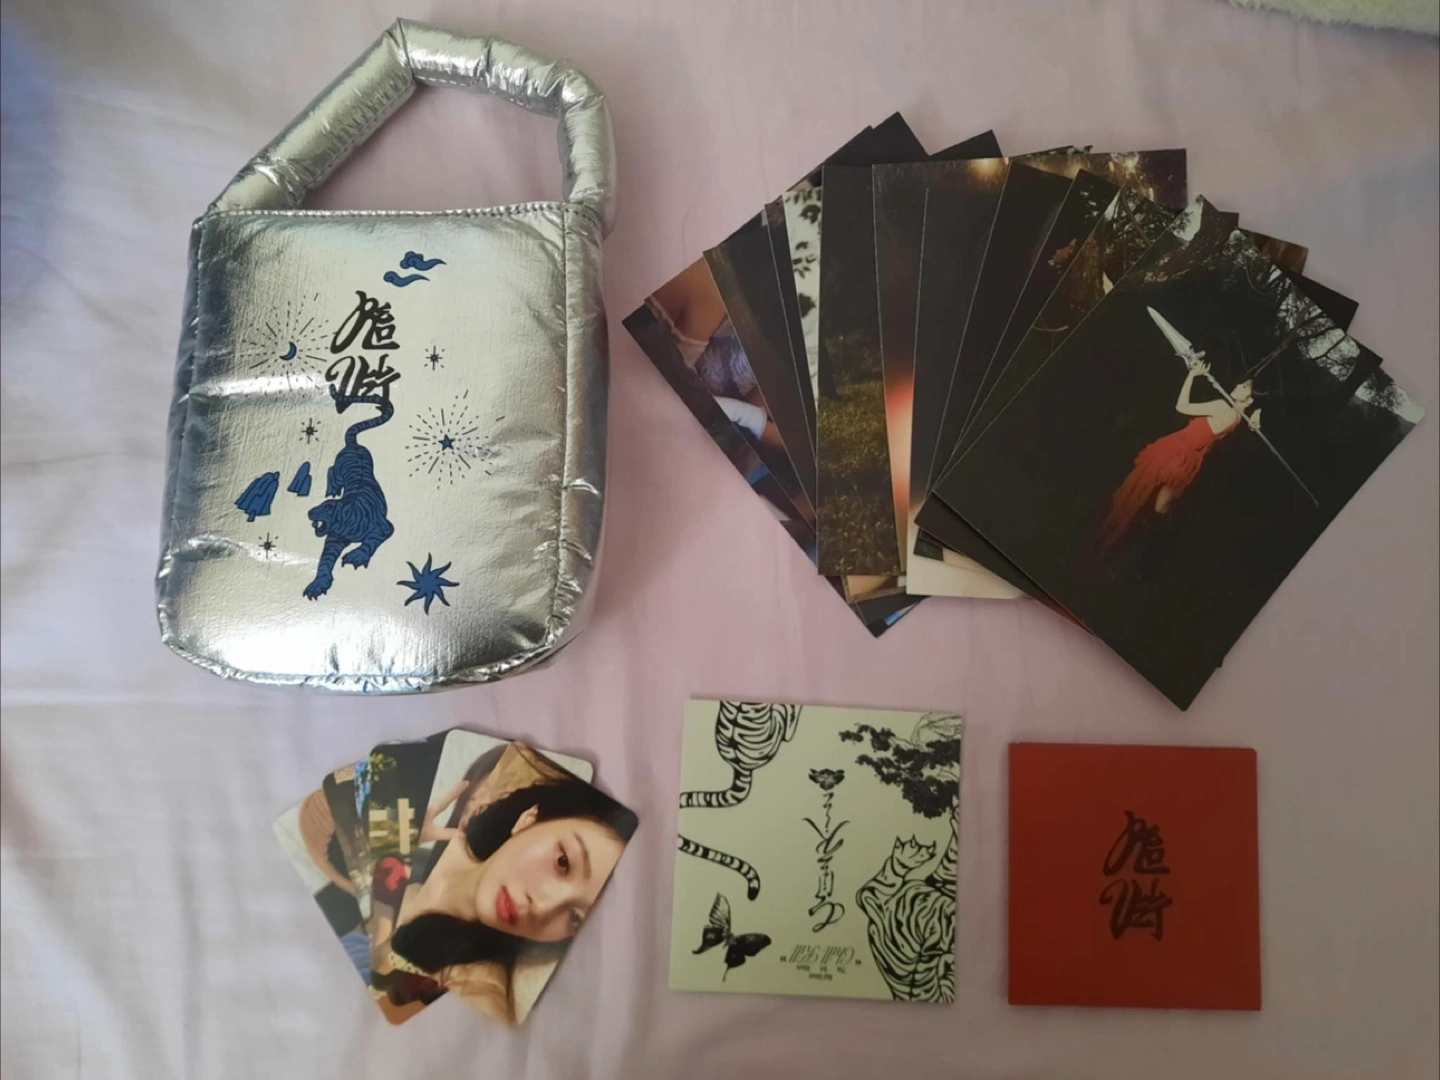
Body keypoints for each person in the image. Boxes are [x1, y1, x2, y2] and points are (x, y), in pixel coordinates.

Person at [377, 745, 637, 1025]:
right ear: (529, 819)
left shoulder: (482, 989)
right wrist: (393, 844)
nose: (543, 907)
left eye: (575, 917)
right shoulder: (418, 846)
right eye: (563, 862)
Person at [1098, 356, 1261, 558]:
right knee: (1160, 507)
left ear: (1249, 399)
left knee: (1136, 490)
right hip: (1189, 462)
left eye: (1244, 387)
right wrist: (1255, 419)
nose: (1237, 386)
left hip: (1174, 452)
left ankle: (1114, 538)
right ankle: (1146, 549)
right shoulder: (1237, 420)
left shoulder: (1222, 406)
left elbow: (1182, 406)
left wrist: (1192, 375)